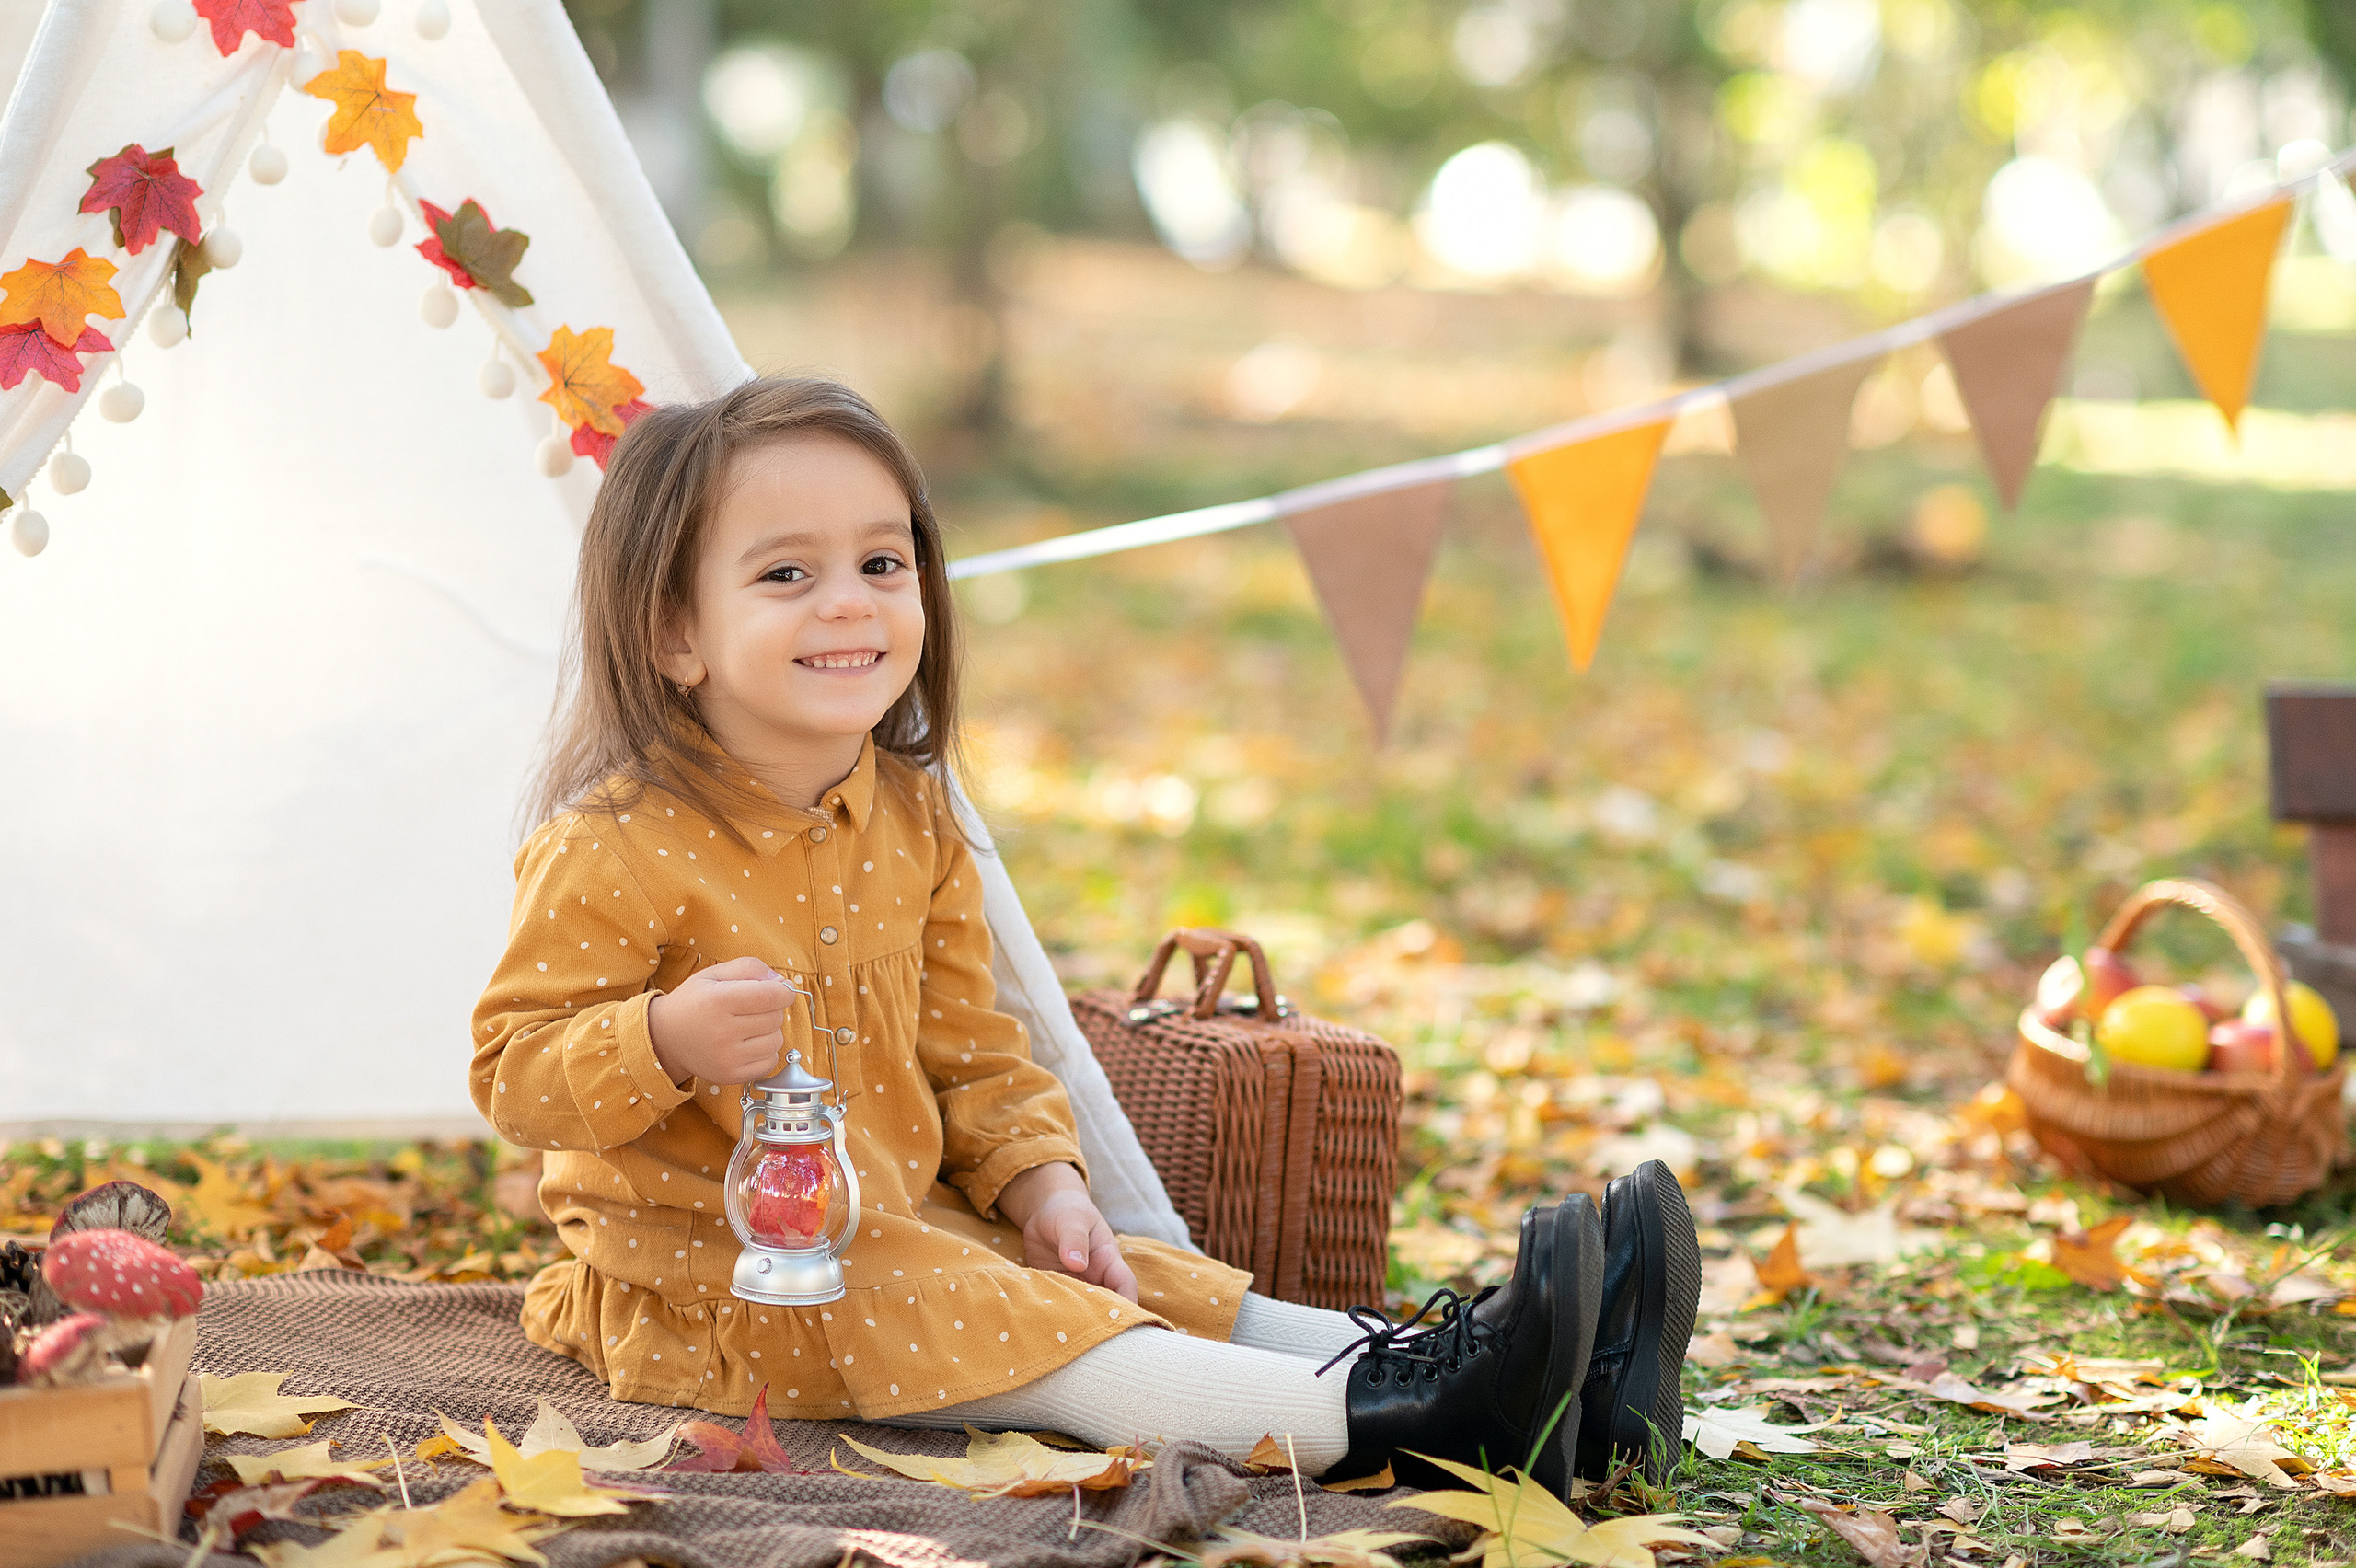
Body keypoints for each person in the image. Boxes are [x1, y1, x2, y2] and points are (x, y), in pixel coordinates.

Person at [468, 376, 1702, 1500]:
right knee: (1021, 1325)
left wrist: (1047, 1186)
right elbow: (513, 1074)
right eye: (787, 575)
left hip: (913, 1224)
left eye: (883, 564)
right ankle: (1410, 1418)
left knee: (1128, 1278)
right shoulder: (612, 846)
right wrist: (663, 1038)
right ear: (676, 634)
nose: (849, 601)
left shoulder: (911, 814)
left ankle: (1538, 1376)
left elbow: (977, 1053)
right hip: (732, 1280)